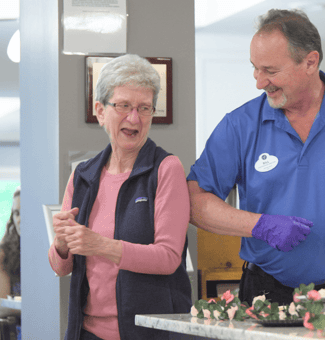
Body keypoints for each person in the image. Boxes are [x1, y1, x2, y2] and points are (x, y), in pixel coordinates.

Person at [187, 9, 325, 306]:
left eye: (271, 71)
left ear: (310, 62)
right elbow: (195, 202)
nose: (260, 82)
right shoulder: (239, 125)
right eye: (255, 68)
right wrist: (259, 224)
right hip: (265, 290)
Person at [48, 54, 192, 340]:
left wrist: (100, 245)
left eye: (144, 108)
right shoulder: (83, 176)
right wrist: (62, 243)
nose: (134, 118)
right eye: (124, 106)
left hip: (148, 333)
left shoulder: (166, 168)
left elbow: (168, 258)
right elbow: (61, 266)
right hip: (86, 332)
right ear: (101, 111)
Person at [0, 186, 21, 336]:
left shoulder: (54, 249)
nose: (20, 219)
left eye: (25, 212)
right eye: (16, 213)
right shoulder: (4, 250)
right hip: (17, 329)